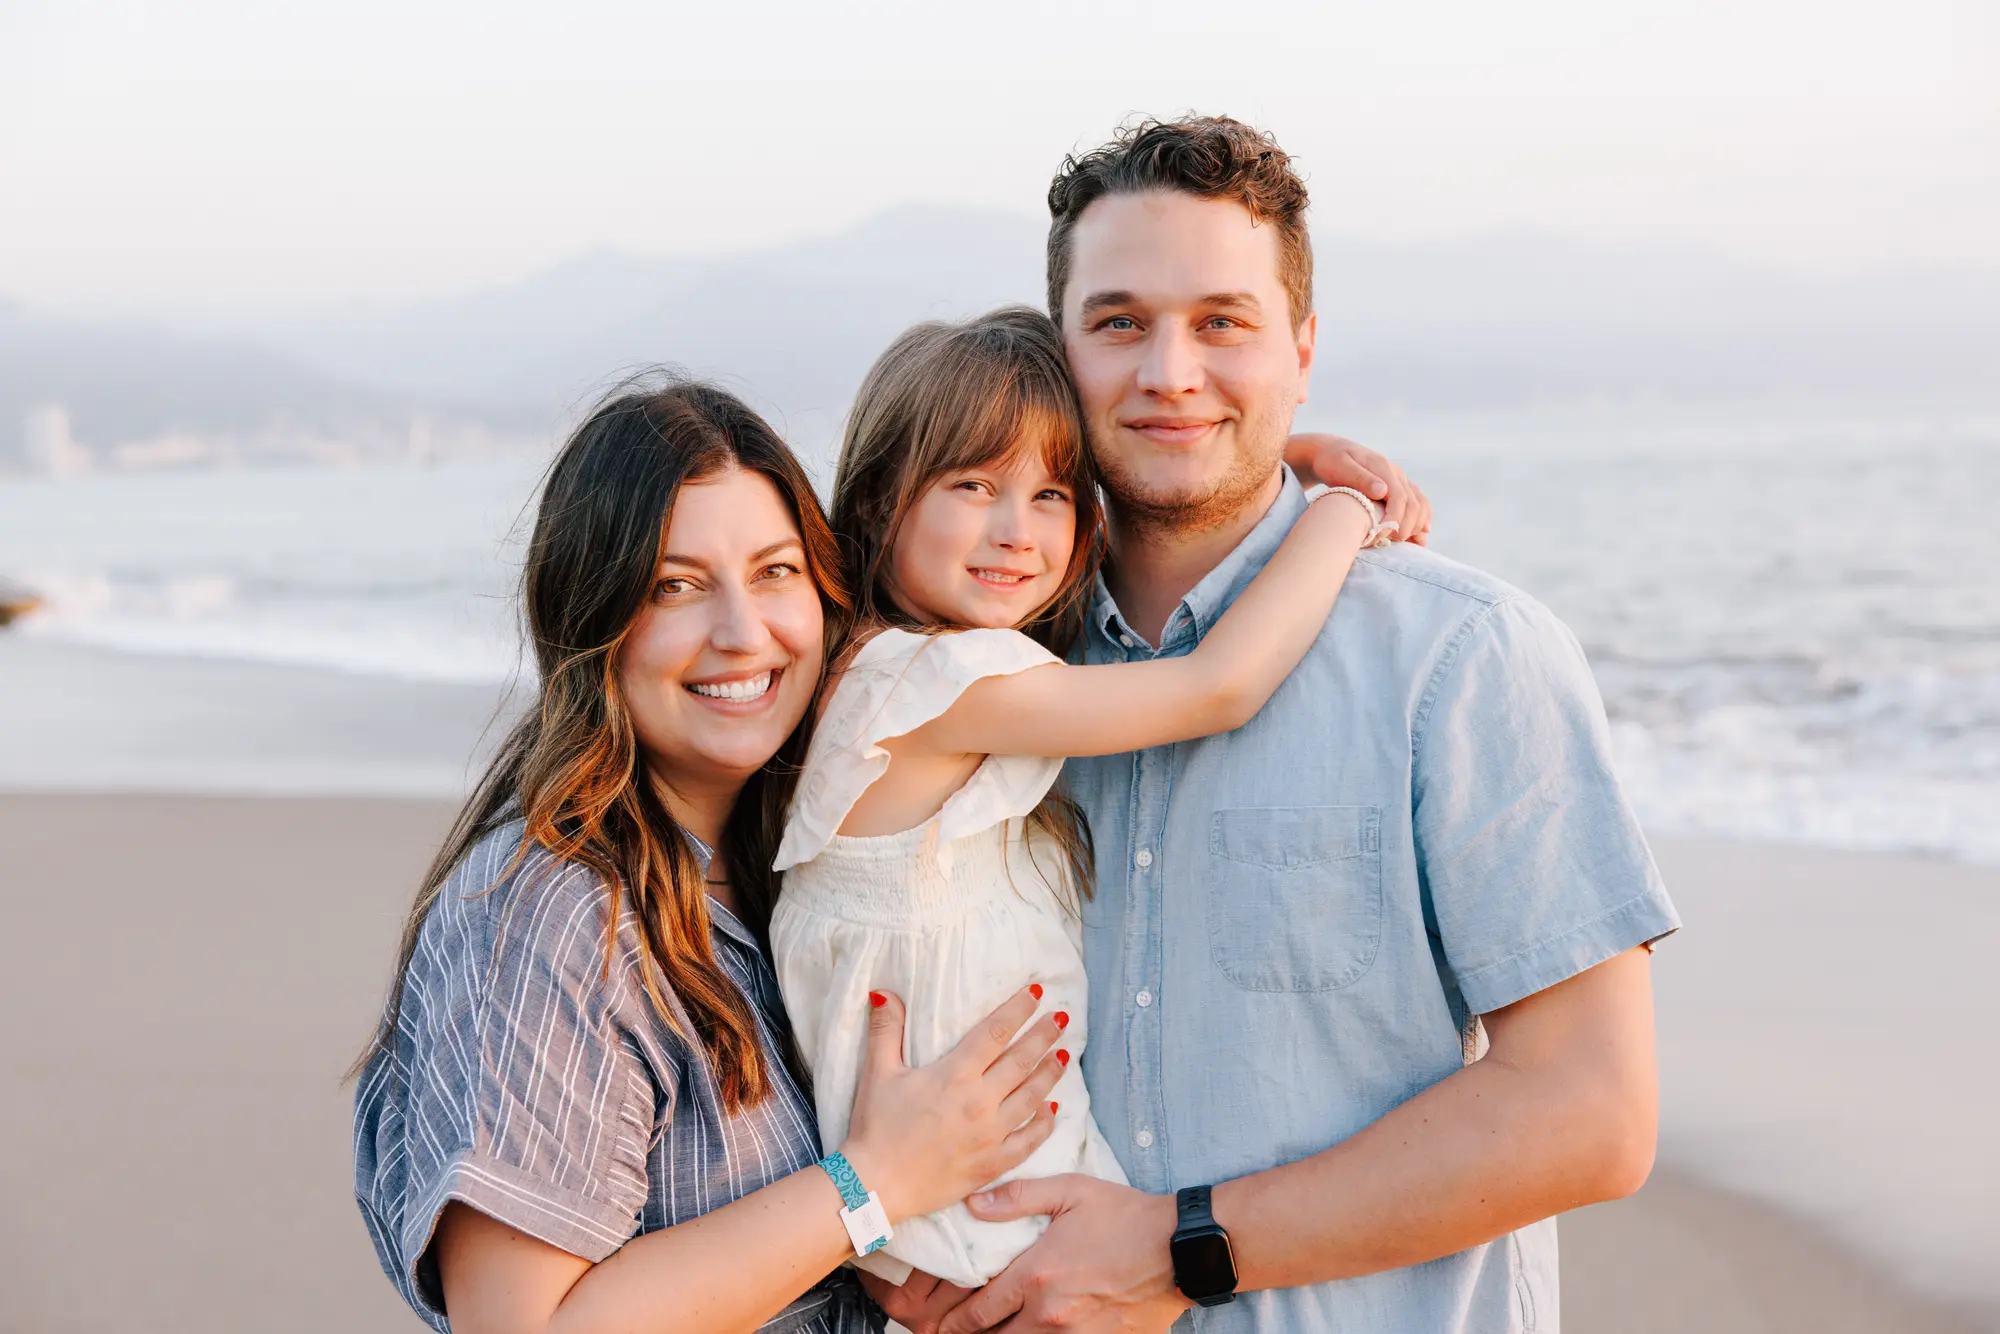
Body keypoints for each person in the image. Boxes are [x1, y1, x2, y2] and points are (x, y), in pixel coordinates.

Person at [864, 116, 1682, 1334]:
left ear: (1299, 349)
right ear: (1058, 357)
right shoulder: (983, 664)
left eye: (1223, 323)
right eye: (1119, 323)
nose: (1170, 372)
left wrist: (1182, 1247)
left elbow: (1588, 1115)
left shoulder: (1460, 656)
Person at [351, 381, 1075, 1334]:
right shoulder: (553, 919)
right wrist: (874, 1185)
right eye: (676, 586)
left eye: (775, 572)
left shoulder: (801, 851)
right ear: (592, 619)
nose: (744, 633)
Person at [769, 308, 1391, 1291]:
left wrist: (1281, 460)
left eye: (1050, 492)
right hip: (978, 1224)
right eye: (971, 485)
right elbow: (1215, 686)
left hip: (973, 1201)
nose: (1016, 530)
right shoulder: (929, 686)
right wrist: (1338, 510)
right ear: (883, 497)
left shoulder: (905, 668)